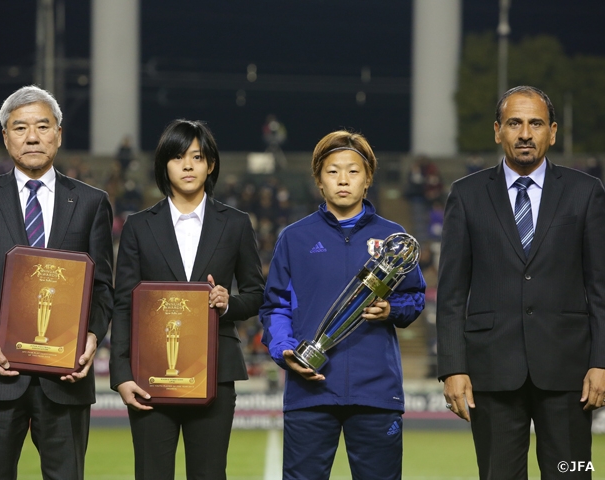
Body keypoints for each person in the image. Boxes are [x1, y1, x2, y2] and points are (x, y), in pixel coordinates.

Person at [437, 86, 605, 479]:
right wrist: (452, 367)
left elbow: (600, 288)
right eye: (515, 123)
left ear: (553, 132)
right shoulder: (466, 195)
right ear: (498, 131)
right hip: (492, 373)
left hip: (570, 376)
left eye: (535, 123)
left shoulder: (586, 193)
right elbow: (451, 294)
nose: (525, 133)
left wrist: (601, 361)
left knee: (572, 474)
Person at [0, 85, 114, 479]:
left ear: (59, 134)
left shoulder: (90, 202)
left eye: (42, 126)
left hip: (64, 378)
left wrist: (93, 337)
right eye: (20, 127)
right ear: (6, 137)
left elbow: (103, 287)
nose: (32, 136)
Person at [260, 130, 426, 480]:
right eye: (333, 171)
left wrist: (390, 310)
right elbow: (275, 306)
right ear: (318, 180)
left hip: (375, 393)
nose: (343, 180)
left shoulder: (393, 238)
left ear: (368, 179)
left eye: (353, 171)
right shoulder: (294, 238)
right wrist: (285, 349)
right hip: (310, 391)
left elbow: (414, 297)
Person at [109, 119, 264, 480]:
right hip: (150, 374)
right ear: (164, 165)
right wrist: (121, 374)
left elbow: (257, 295)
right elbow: (123, 304)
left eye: (197, 156)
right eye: (178, 157)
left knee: (210, 474)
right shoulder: (138, 225)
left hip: (215, 372)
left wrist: (227, 302)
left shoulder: (237, 223)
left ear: (211, 164)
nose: (189, 165)